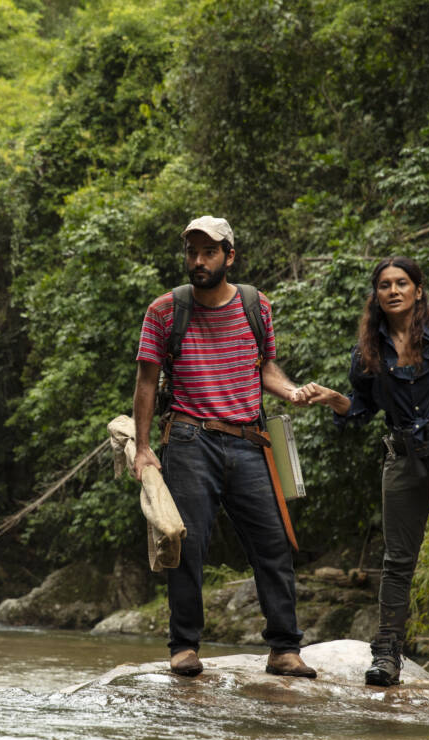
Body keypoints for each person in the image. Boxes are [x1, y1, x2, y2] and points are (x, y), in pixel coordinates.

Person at [293, 255, 429, 687]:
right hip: (402, 456)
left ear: (417, 290)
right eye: (385, 285)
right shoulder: (368, 351)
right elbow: (360, 410)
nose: (393, 291)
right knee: (397, 562)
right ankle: (387, 655)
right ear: (376, 295)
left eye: (401, 283)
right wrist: (335, 399)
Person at [131, 215, 315, 679]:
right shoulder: (165, 311)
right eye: (192, 252)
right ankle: (185, 646)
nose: (198, 260)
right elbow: (147, 382)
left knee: (273, 543)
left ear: (229, 256)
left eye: (208, 252)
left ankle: (284, 649)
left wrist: (291, 392)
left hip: (249, 442)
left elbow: (266, 370)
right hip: (190, 439)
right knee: (187, 545)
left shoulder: (257, 305)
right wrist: (143, 448)